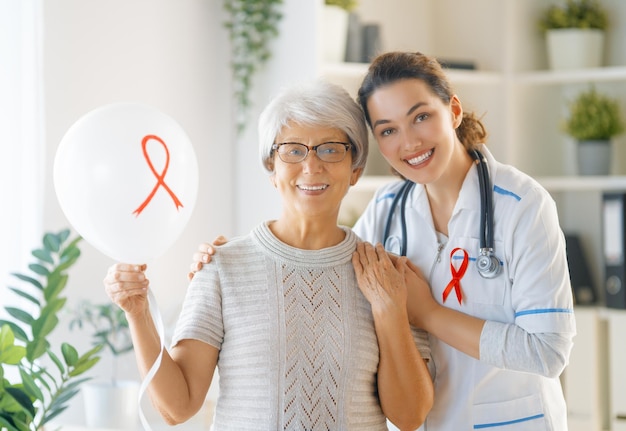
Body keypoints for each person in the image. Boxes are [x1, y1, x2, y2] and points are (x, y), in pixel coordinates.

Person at [190, 51, 576, 431]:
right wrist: (230, 260)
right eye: (388, 130)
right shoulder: (387, 210)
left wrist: (427, 313)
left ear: (454, 111)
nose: (409, 142)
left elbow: (548, 351)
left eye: (421, 117)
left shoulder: (522, 206)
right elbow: (329, 261)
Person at [104, 79, 433, 431]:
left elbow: (410, 417)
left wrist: (390, 310)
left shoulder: (386, 276)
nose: (311, 166)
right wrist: (138, 314)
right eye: (293, 150)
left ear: (355, 169)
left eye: (330, 149)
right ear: (271, 169)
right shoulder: (221, 266)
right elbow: (177, 407)